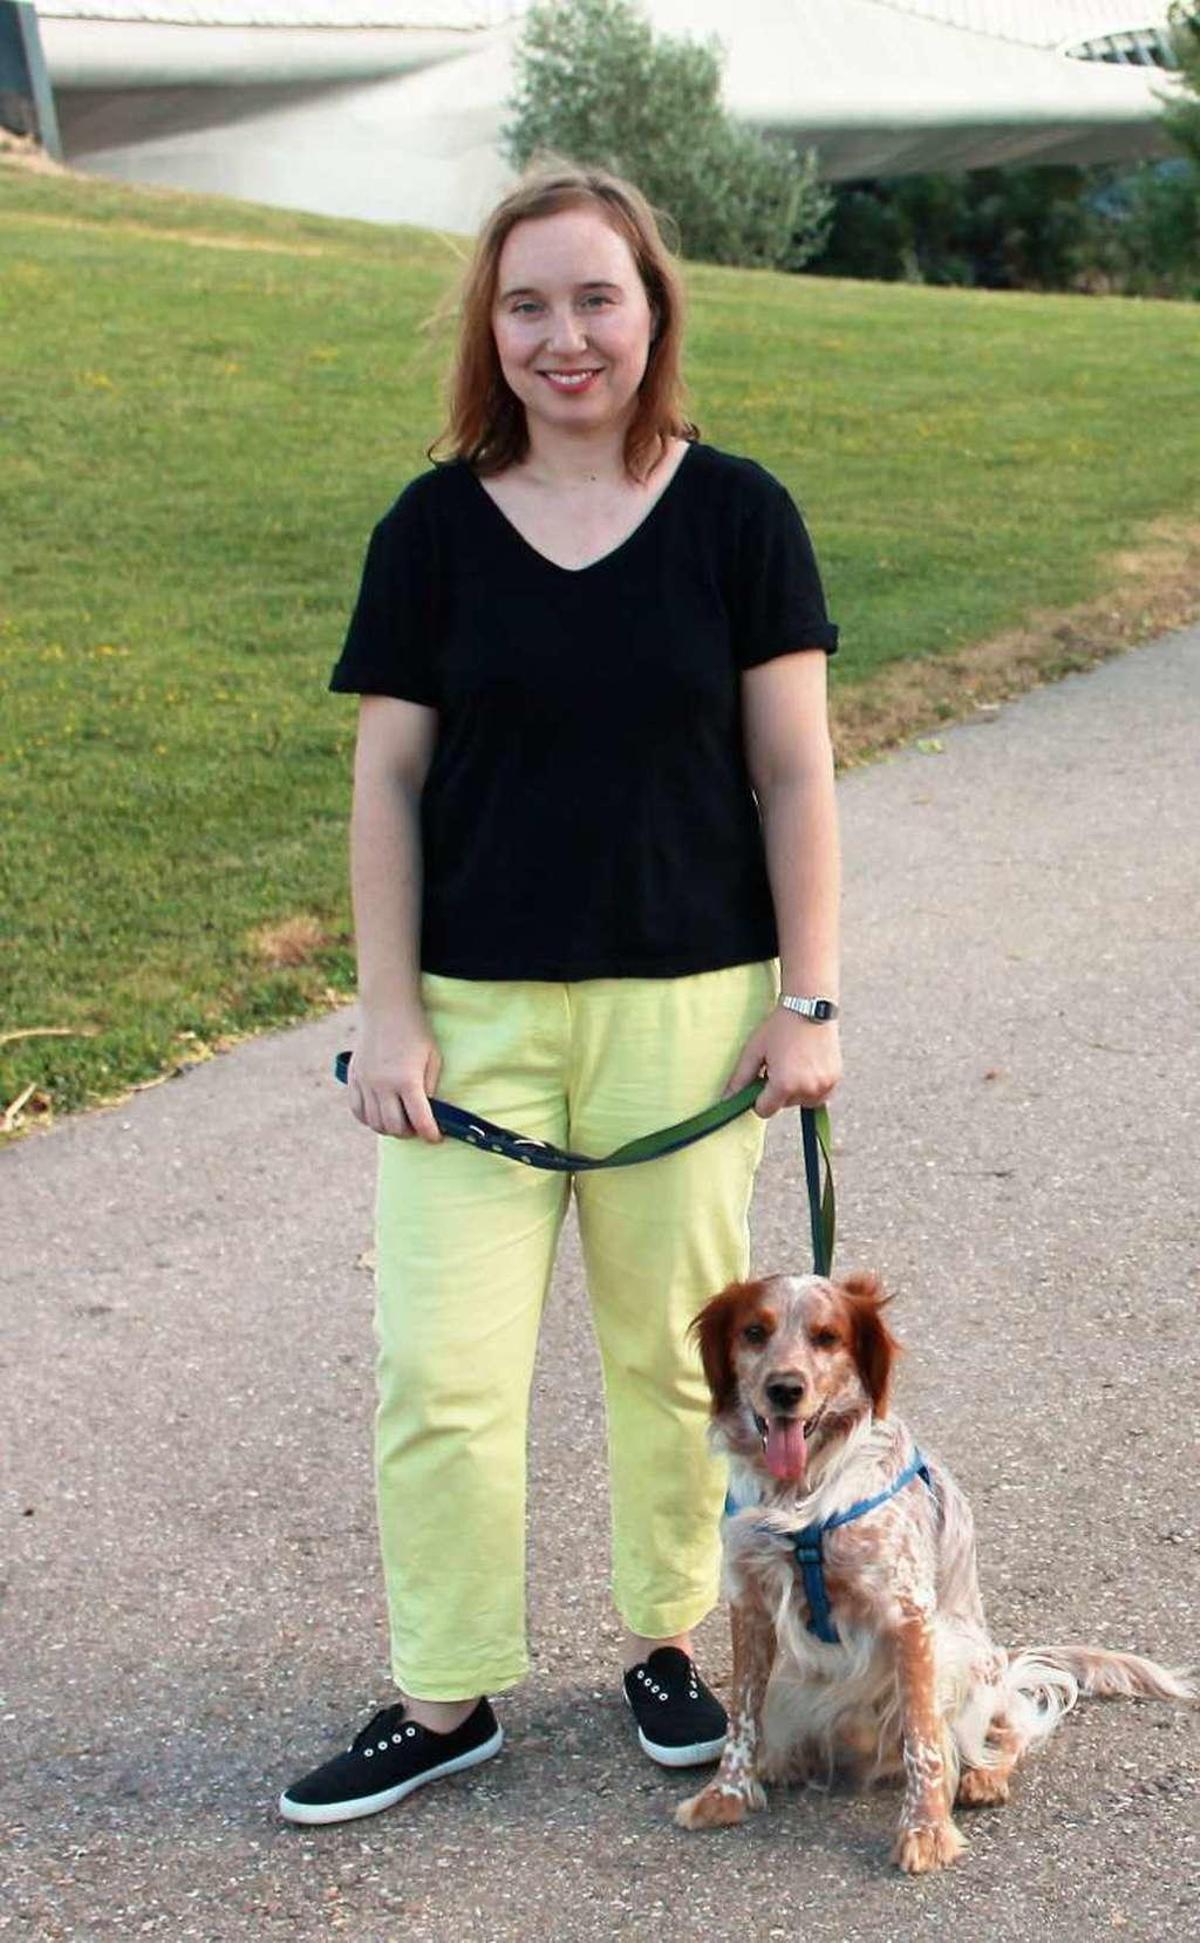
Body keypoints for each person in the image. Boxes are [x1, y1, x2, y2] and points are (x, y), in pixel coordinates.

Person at [279, 161, 841, 1827]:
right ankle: (444, 1692)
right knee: (439, 1373)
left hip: (688, 1015)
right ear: (492, 328)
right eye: (527, 304)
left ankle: (667, 1646)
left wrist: (811, 1000)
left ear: (653, 309)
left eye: (596, 297)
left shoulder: (740, 514)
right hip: (472, 1023)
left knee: (685, 1370)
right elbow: (387, 784)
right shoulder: (432, 527)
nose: (563, 335)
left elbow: (796, 774)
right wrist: (389, 1011)